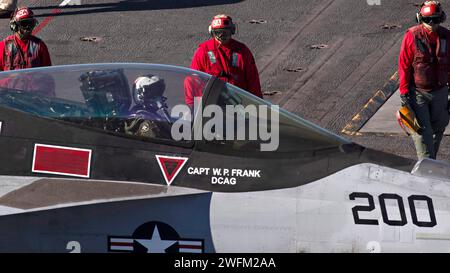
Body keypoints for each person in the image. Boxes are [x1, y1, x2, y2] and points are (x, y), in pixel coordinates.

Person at [398, 0, 450, 160]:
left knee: (438, 129)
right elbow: (404, 65)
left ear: (441, 18)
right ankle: (427, 167)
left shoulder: (447, 36)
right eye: (428, 19)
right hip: (418, 94)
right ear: (420, 19)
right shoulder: (412, 36)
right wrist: (404, 92)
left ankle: (429, 163)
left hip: (440, 92)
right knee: (422, 133)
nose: (431, 23)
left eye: (435, 19)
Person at [190, 14, 263, 98]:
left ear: (232, 31)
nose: (222, 36)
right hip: (212, 102)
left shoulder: (242, 51)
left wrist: (258, 105)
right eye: (218, 32)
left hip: (238, 101)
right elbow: (193, 80)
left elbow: (253, 81)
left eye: (225, 32)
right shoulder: (204, 51)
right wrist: (196, 107)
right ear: (212, 32)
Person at [0, 6, 51, 71]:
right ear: (14, 26)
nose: (28, 28)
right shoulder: (3, 47)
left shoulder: (40, 46)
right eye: (24, 23)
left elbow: (48, 72)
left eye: (30, 23)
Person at [125, 74, 172, 139]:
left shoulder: (154, 116)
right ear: (140, 95)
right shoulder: (144, 121)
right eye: (152, 93)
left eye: (158, 92)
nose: (157, 97)